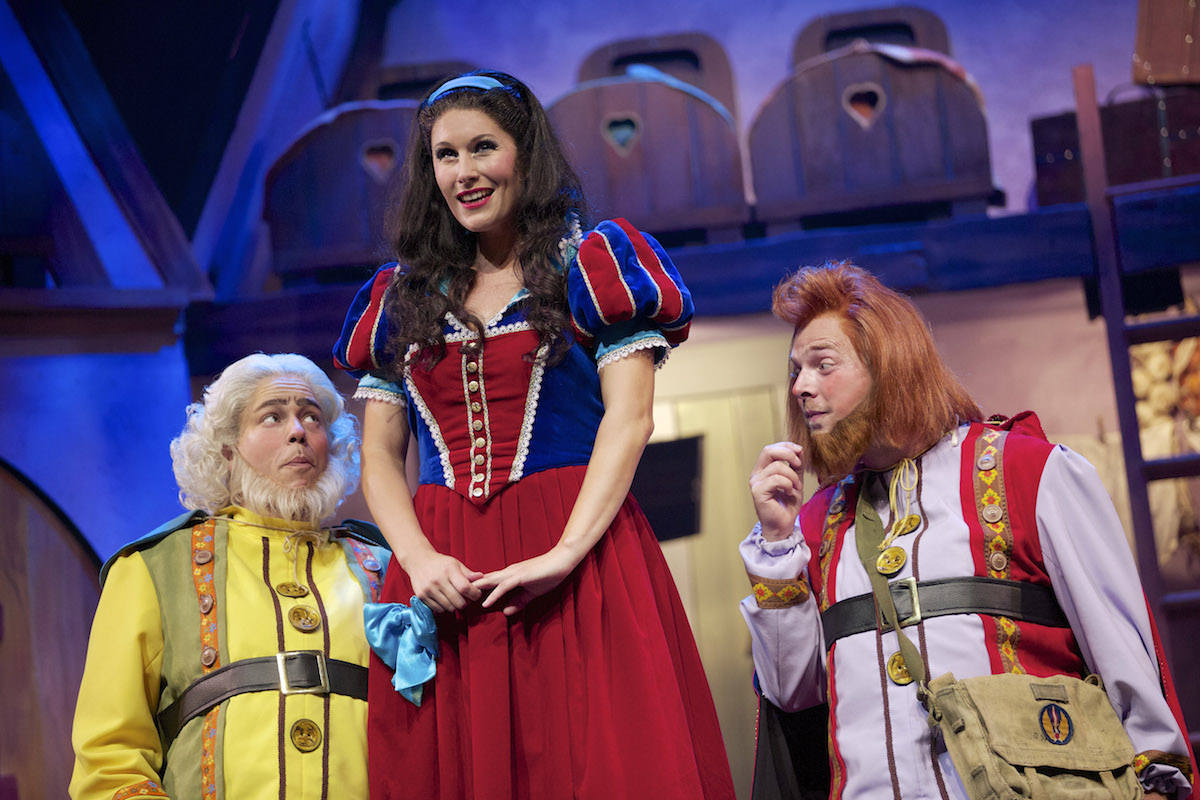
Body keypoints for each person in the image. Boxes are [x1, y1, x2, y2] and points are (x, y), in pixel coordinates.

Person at [333, 69, 734, 799]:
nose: (463, 172)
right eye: (445, 155)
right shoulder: (401, 297)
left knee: (597, 758)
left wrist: (565, 553)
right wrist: (417, 559)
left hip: (577, 550)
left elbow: (630, 419)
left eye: (483, 147)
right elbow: (382, 458)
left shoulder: (591, 265)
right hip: (445, 568)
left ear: (526, 152)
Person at [740, 262, 1196, 799]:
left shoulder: (1029, 474)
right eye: (796, 370)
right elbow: (794, 696)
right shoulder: (815, 524)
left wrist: (1159, 782)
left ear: (890, 365)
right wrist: (776, 543)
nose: (801, 387)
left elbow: (1123, 654)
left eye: (823, 365)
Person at [69, 353, 389, 800]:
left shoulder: (384, 567)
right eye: (272, 416)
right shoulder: (153, 568)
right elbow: (109, 759)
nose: (298, 431)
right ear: (227, 449)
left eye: (311, 417)